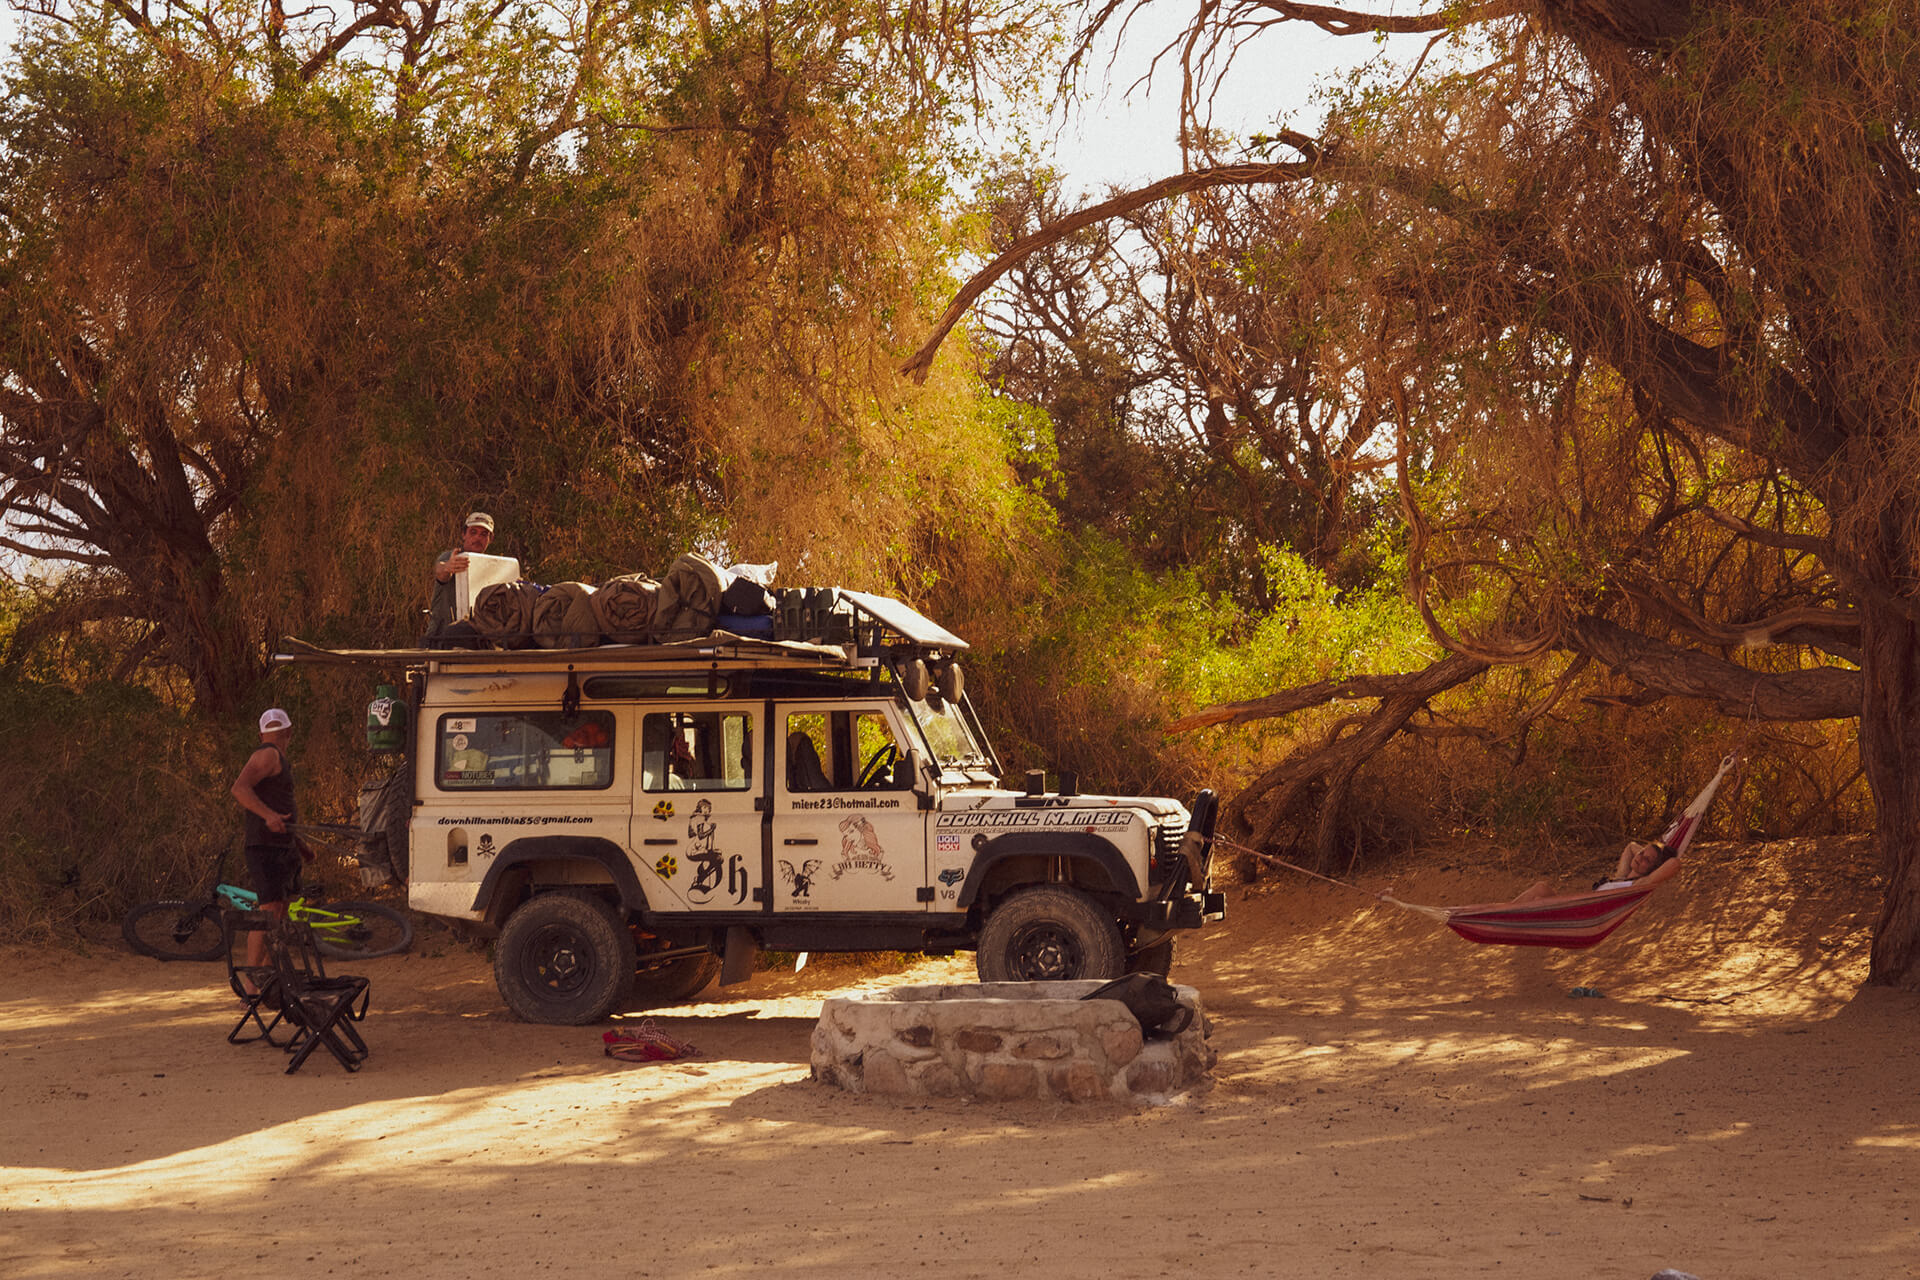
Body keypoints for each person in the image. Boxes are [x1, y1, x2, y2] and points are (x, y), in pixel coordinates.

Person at [231, 708, 301, 989]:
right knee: (270, 910)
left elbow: (282, 807)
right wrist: (268, 816)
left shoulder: (279, 758)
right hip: (264, 846)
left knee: (281, 911)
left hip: (283, 846)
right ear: (289, 732)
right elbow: (239, 788)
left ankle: (271, 978)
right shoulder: (267, 754)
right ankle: (250, 986)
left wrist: (300, 844)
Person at [1508, 838, 1682, 905]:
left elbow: (1674, 863)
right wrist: (1650, 851)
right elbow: (1630, 847)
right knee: (1541, 888)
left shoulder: (1637, 885)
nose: (1641, 857)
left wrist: (1657, 862)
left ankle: (1502, 915)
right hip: (1577, 907)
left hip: (1583, 914)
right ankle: (1501, 913)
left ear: (1652, 869)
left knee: (1539, 899)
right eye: (1642, 853)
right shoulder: (1620, 878)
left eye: (1647, 860)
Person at [427, 511, 496, 639]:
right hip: (442, 635)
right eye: (473, 532)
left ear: (490, 539)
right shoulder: (452, 557)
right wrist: (448, 567)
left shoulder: (493, 565)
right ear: (464, 534)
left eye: (484, 534)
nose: (477, 538)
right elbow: (440, 570)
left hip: (476, 637)